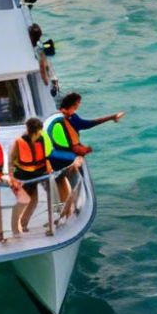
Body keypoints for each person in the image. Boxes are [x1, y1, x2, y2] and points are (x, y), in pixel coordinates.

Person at [45, 92, 124, 221]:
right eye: (78, 103)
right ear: (73, 103)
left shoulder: (69, 117)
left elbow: (86, 124)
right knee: (73, 181)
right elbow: (69, 145)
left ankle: (60, 215)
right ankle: (63, 214)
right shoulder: (62, 120)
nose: (79, 105)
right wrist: (81, 153)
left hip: (53, 157)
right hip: (57, 157)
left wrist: (111, 117)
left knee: (59, 185)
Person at [10, 117, 51, 236]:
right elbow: (11, 161)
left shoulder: (41, 139)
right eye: (39, 131)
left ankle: (23, 224)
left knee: (34, 201)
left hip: (36, 174)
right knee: (23, 201)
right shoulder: (19, 142)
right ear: (35, 131)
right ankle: (15, 228)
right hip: (22, 176)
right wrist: (12, 177)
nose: (40, 133)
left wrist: (47, 169)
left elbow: (45, 157)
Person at [29, 23, 56, 94]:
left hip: (49, 73)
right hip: (50, 70)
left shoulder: (38, 50)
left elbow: (42, 67)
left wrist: (45, 81)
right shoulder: (39, 45)